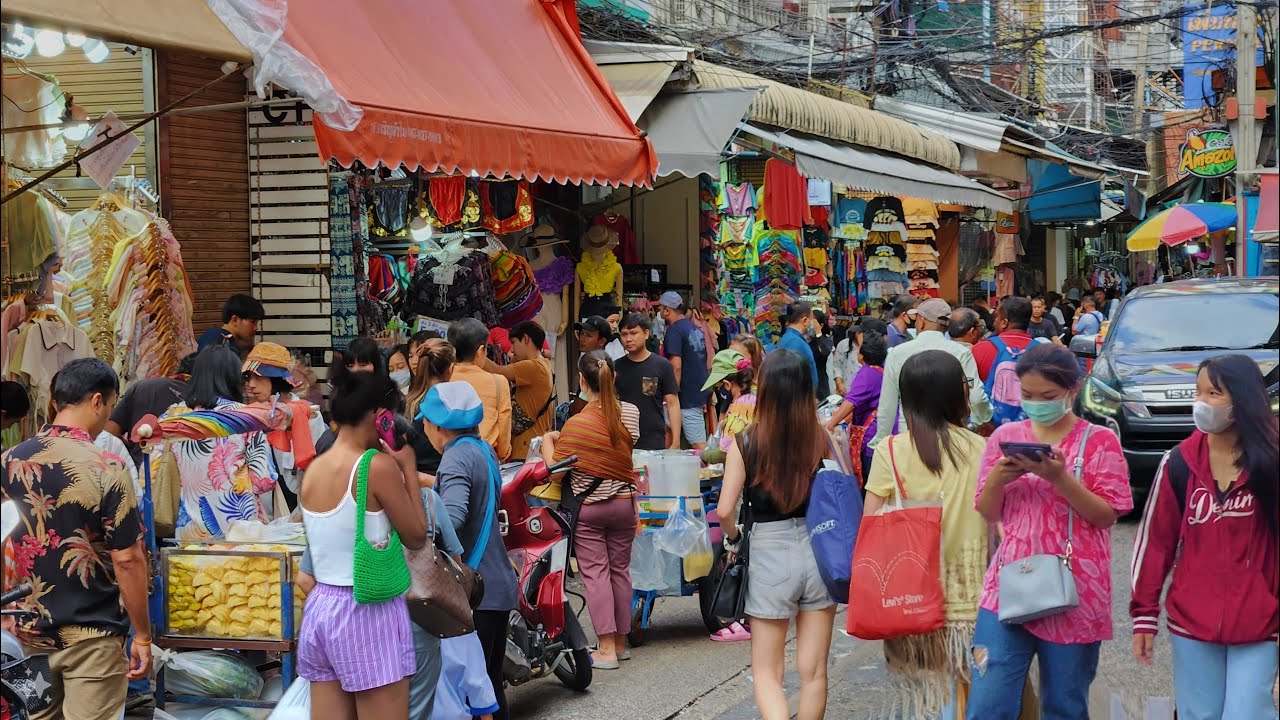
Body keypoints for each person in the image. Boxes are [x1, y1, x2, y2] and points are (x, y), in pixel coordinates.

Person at [969, 344, 1133, 718]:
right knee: (988, 703)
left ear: (1072, 390)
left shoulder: (1099, 441)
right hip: (1009, 584)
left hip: (1075, 588)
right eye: (1028, 395)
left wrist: (1059, 478)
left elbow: (1106, 515)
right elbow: (988, 512)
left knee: (1064, 704)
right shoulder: (1005, 436)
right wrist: (998, 478)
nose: (1036, 403)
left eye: (1048, 396)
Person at [1, 359, 151, 720]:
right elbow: (127, 558)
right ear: (98, 401)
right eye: (111, 405)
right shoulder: (107, 466)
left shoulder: (7, 462)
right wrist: (143, 635)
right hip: (93, 637)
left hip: (26, 634)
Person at [1130, 355, 1279, 720]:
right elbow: (1155, 543)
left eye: (1213, 393)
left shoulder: (1272, 463)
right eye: (1198, 392)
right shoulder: (1178, 463)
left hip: (1261, 620)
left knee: (1246, 714)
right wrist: (1144, 615)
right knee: (1199, 714)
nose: (1201, 402)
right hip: (1191, 622)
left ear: (1242, 399)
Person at [863, 350, 989, 717]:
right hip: (971, 598)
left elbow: (870, 522)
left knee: (931, 695)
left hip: (912, 596)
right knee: (968, 691)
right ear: (956, 394)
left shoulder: (890, 451)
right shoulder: (982, 448)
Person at [297, 370, 428, 719]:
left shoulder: (315, 470)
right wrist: (408, 467)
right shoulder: (377, 467)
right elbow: (416, 536)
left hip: (322, 608)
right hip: (366, 611)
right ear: (378, 415)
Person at [717, 350, 835, 720]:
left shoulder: (746, 442)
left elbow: (724, 510)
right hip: (819, 550)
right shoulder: (823, 439)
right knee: (814, 672)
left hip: (769, 553)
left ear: (765, 388)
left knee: (768, 673)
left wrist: (734, 538)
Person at [424, 382, 518, 720]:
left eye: (426, 422)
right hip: (496, 584)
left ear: (438, 426)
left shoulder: (455, 458)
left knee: (473, 695)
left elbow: (452, 517)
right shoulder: (482, 449)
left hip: (475, 593)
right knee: (489, 689)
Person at [541, 351, 640, 669]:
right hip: (624, 504)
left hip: (591, 508)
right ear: (613, 377)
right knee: (620, 572)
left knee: (596, 575)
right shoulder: (631, 413)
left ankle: (606, 650)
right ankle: (620, 644)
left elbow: (556, 472)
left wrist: (548, 441)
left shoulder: (577, 424)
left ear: (582, 381)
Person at [161, 346, 277, 540]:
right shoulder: (246, 418)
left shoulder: (170, 418)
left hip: (188, 532)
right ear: (233, 379)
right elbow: (264, 480)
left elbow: (153, 472)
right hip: (240, 531)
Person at [872, 299, 991, 448]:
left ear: (921, 321)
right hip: (953, 438)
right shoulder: (961, 353)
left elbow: (887, 405)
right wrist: (983, 418)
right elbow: (976, 397)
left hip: (910, 436)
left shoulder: (897, 353)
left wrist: (881, 440)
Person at [242, 342, 332, 510]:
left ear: (276, 380)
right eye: (249, 378)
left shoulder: (308, 414)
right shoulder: (255, 416)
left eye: (258, 377)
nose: (251, 385)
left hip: (303, 505)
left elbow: (318, 472)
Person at [106, 351, 197, 466]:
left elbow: (109, 433)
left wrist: (130, 455)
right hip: (174, 473)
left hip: (134, 469)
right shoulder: (203, 403)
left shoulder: (143, 387)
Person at [482, 321, 554, 460]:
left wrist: (473, 352)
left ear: (526, 339)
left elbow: (496, 371)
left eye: (514, 343)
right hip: (534, 448)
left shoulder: (533, 367)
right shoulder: (544, 364)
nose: (511, 350)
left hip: (526, 451)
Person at [823, 331, 888, 481]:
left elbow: (851, 402)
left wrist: (830, 425)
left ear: (861, 355)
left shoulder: (868, 373)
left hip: (870, 437)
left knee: (869, 479)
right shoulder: (881, 370)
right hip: (878, 433)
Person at [446, 318, 512, 462]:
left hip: (448, 457)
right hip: (484, 456)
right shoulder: (498, 382)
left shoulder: (443, 378)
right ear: (481, 350)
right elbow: (504, 422)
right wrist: (502, 453)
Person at [615, 313, 681, 451]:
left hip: (653, 439)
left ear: (646, 334)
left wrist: (676, 441)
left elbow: (673, 404)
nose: (628, 339)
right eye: (624, 334)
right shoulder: (615, 367)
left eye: (634, 333)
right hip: (621, 439)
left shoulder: (662, 366)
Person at [659, 291, 711, 450]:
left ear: (667, 310)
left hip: (686, 396)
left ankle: (712, 465)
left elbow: (676, 366)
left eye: (660, 308)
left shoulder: (674, 331)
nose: (659, 311)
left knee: (697, 443)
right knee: (670, 433)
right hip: (697, 391)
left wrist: (671, 393)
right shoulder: (694, 328)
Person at [972, 296, 1041, 383]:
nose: (994, 321)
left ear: (1004, 323)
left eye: (997, 316)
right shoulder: (1043, 352)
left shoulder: (980, 349)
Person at [830, 318, 887, 397]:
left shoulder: (878, 353)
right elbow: (837, 365)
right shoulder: (844, 345)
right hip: (847, 392)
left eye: (862, 333)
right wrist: (839, 382)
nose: (858, 334)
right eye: (858, 332)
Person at [197, 294, 264, 357]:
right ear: (235, 320)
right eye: (252, 322)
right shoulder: (224, 347)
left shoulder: (211, 335)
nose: (256, 328)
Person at [773, 301, 819, 390]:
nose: (812, 324)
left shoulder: (790, 338)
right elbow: (793, 379)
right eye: (811, 320)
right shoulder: (795, 343)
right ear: (805, 320)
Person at [809, 309, 834, 399]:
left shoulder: (826, 340)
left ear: (821, 325)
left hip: (820, 383)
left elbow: (825, 352)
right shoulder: (804, 339)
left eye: (812, 323)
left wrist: (818, 334)